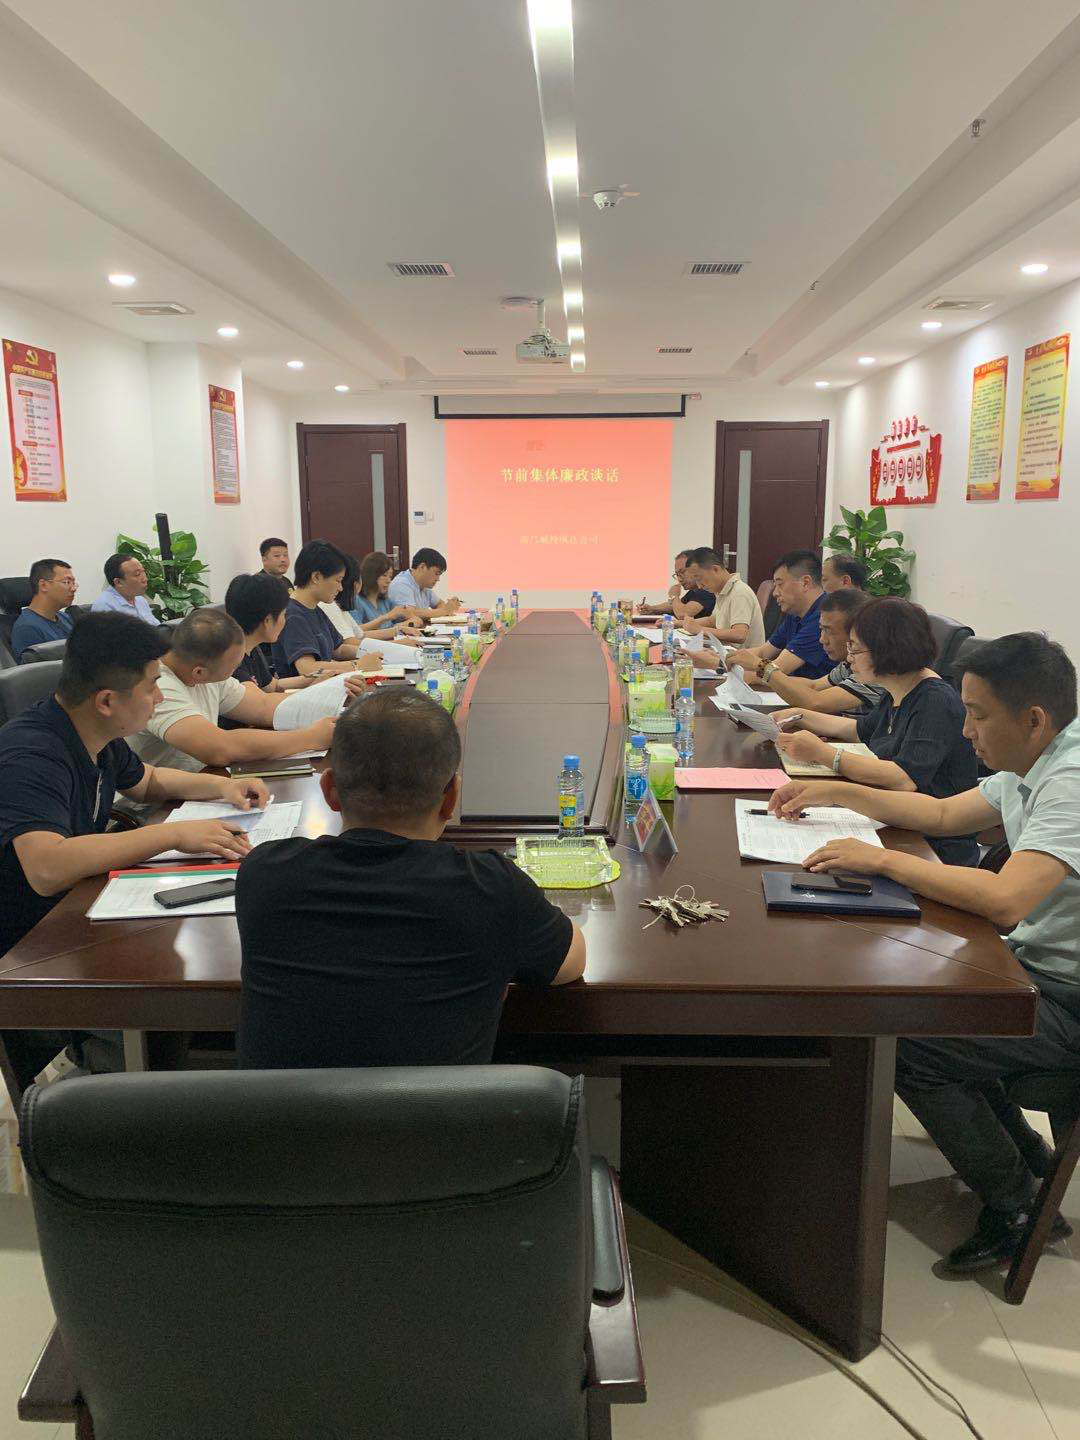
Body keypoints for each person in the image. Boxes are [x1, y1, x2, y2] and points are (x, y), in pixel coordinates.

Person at [769, 633, 1080, 1273]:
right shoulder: (1034, 765)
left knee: (911, 1037)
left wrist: (883, 860)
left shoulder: (1070, 783)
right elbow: (939, 816)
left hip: (1066, 998)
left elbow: (1006, 901)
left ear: (1034, 719)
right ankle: (1029, 1160)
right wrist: (836, 792)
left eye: (978, 716)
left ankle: (1019, 1207)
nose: (966, 732)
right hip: (1033, 968)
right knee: (928, 997)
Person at [237, 685, 585, 1069]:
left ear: (330, 791)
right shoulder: (491, 888)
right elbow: (570, 964)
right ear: (451, 799)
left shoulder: (263, 874)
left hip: (281, 1111)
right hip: (441, 1111)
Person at [0, 613, 266, 1087]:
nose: (160, 697)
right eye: (151, 686)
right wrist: (172, 835)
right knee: (172, 989)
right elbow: (45, 867)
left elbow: (148, 781)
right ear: (106, 701)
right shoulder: (32, 753)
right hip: (31, 948)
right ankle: (93, 1084)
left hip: (79, 906)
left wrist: (222, 788)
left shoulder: (96, 735)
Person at [772, 598, 978, 864]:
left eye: (855, 649)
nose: (849, 658)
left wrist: (823, 753)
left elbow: (904, 778)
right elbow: (859, 730)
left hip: (932, 847)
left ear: (886, 650)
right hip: (896, 824)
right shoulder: (897, 688)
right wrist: (800, 716)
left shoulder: (935, 701)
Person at [129, 607, 339, 771]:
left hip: (201, 784)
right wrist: (311, 737)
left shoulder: (206, 673)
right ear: (199, 673)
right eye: (233, 667)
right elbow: (219, 748)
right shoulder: (158, 688)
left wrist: (332, 702)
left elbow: (263, 706)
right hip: (154, 806)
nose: (236, 671)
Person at [272, 540, 381, 678]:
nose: (341, 588)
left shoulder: (315, 609)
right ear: (316, 577)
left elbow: (338, 649)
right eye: (338, 580)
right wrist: (357, 665)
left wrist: (372, 653)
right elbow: (307, 668)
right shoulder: (293, 614)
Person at [765, 590, 885, 715]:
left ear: (856, 632)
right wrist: (766, 674)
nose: (822, 640)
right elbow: (814, 686)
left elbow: (816, 703)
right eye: (821, 629)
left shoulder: (875, 671)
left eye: (829, 631)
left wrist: (764, 668)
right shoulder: (849, 664)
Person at [224, 572, 339, 692]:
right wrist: (314, 689)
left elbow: (273, 685)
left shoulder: (251, 648)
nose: (285, 620)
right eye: (284, 614)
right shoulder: (232, 660)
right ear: (268, 621)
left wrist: (318, 677)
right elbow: (262, 701)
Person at [727, 550, 830, 681]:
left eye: (780, 584)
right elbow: (763, 652)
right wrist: (725, 657)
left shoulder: (824, 616)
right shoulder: (795, 613)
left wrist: (723, 669)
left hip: (815, 691)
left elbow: (778, 670)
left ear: (805, 583)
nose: (775, 593)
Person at [678, 548, 764, 648]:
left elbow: (739, 635)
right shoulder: (721, 591)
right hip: (726, 651)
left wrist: (698, 629)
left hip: (742, 656)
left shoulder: (739, 592)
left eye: (699, 578)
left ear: (715, 569)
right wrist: (678, 623)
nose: (699, 586)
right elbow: (712, 621)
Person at [11, 558, 78, 660]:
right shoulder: (27, 628)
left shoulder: (65, 617)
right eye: (66, 582)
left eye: (73, 583)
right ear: (43, 585)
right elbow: (39, 669)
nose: (73, 589)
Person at [351, 550, 424, 635]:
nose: (388, 580)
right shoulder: (357, 601)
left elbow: (417, 620)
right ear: (371, 575)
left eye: (390, 576)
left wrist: (398, 627)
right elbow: (356, 631)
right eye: (384, 575)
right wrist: (387, 617)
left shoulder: (386, 601)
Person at [386, 548, 461, 620]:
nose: (438, 579)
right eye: (436, 573)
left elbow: (440, 603)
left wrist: (446, 609)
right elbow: (409, 613)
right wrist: (443, 611)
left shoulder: (424, 585)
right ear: (422, 567)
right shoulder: (401, 584)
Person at [637, 549, 714, 620]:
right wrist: (652, 609)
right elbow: (675, 606)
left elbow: (682, 614)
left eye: (682, 572)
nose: (680, 579)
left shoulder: (706, 590)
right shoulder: (694, 591)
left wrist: (674, 596)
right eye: (677, 574)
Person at [91, 553, 160, 625]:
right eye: (137, 574)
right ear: (118, 582)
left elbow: (156, 627)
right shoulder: (104, 607)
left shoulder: (140, 600)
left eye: (143, 571)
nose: (145, 579)